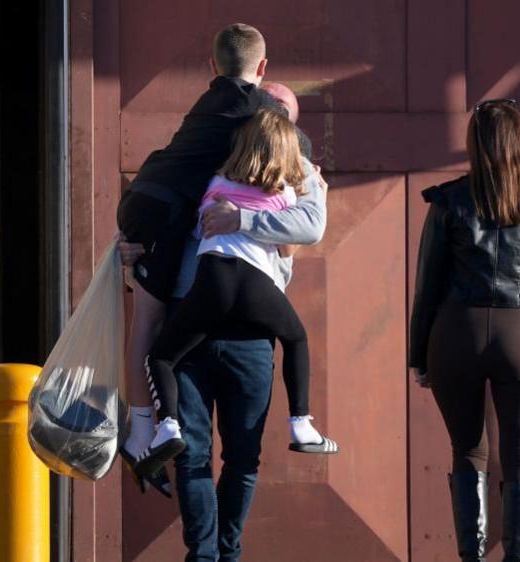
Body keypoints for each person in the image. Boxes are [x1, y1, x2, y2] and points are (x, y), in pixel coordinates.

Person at [119, 134, 329, 562]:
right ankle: (204, 555)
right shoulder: (197, 162)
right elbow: (148, 222)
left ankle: (226, 552)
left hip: (249, 333)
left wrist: (247, 216)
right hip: (191, 321)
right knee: (192, 453)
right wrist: (129, 247)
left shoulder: (293, 169)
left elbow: (295, 240)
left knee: (242, 456)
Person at [408, 99, 520, 562]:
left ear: (475, 145)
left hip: (457, 334)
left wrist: (418, 356)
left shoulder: (448, 202)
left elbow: (426, 287)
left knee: (468, 449)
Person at [116, 23, 286, 484]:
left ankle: (141, 430)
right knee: (153, 324)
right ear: (263, 67)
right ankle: (140, 437)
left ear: (212, 66)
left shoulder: (206, 103)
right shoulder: (259, 108)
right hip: (168, 213)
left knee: (145, 322)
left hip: (144, 198)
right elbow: (295, 156)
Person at [134, 107, 339, 478]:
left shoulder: (215, 184)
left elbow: (188, 230)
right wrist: (316, 191)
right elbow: (296, 240)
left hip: (213, 282)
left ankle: (167, 426)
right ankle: (301, 423)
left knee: (161, 356)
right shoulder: (284, 194)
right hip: (257, 287)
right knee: (295, 338)